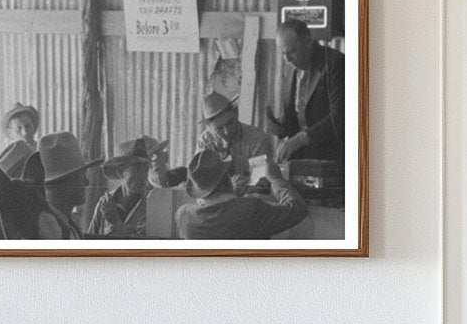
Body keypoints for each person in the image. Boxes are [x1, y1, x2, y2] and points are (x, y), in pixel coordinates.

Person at [176, 150, 308, 240]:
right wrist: (276, 179)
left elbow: (216, 215)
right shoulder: (250, 209)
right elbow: (298, 210)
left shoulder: (183, 215)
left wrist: (231, 196)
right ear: (227, 178)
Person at [268, 18, 345, 162]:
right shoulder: (291, 67)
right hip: (302, 158)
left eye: (292, 52)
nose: (287, 59)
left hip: (333, 158)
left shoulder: (335, 64)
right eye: (283, 54)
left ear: (308, 41)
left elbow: (340, 116)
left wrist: (302, 138)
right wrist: (279, 125)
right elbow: (298, 113)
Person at [88, 136, 166, 238]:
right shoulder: (105, 203)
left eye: (145, 170)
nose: (143, 176)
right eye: (137, 169)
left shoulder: (152, 205)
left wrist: (116, 222)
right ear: (120, 172)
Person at [196, 91, 273, 188]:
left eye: (230, 123)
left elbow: (262, 182)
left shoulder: (258, 140)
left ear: (236, 112)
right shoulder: (205, 141)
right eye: (219, 129)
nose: (227, 131)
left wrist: (245, 183)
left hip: (251, 199)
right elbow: (201, 181)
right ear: (208, 126)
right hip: (219, 199)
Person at [36, 132, 101, 232]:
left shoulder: (67, 222)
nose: (87, 182)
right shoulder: (47, 231)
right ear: (70, 182)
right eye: (83, 176)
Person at [0, 102, 40, 179]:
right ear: (10, 133)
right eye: (19, 128)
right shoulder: (7, 157)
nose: (25, 132)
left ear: (33, 125)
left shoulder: (42, 149)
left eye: (27, 126)